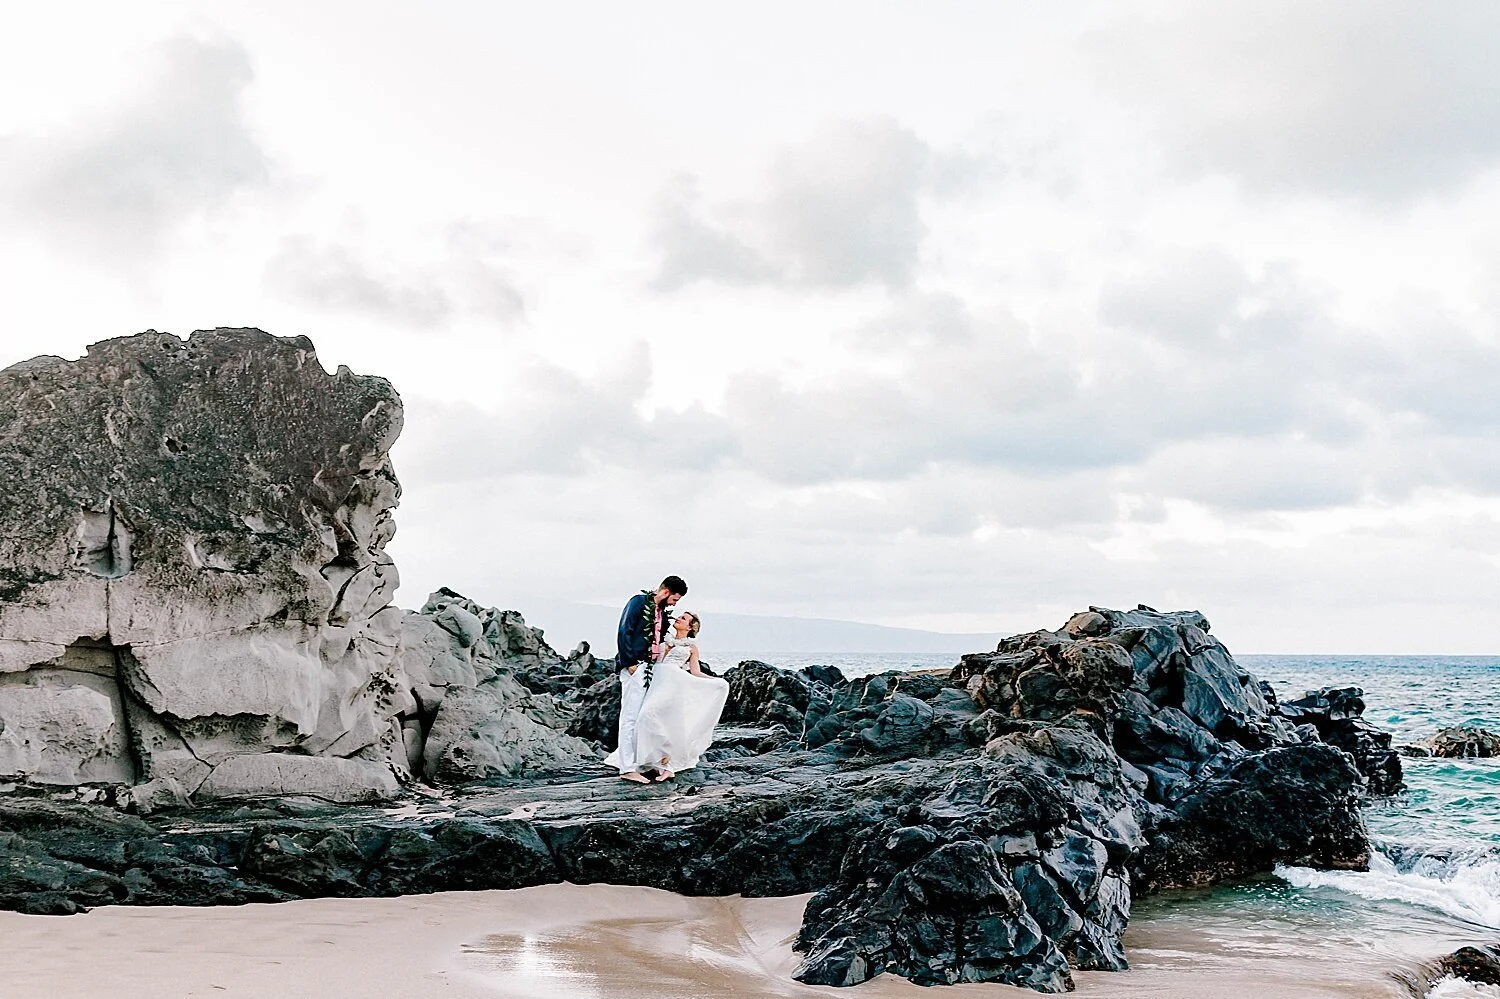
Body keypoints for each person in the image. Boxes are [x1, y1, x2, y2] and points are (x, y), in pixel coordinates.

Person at [605, 575, 686, 784]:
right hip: (635, 666)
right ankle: (627, 768)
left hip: (651, 669)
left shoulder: (662, 613)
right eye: (675, 599)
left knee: (646, 716)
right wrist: (630, 662)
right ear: (666, 591)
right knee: (630, 718)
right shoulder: (639, 602)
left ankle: (646, 761)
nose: (674, 604)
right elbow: (625, 630)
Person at [631, 611, 728, 781]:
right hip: (656, 683)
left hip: (674, 684)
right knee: (649, 718)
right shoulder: (663, 640)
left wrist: (718, 682)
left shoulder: (691, 648)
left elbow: (696, 672)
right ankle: (661, 761)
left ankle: (667, 759)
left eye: (683, 618)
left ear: (690, 627)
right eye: (680, 616)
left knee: (650, 716)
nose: (678, 618)